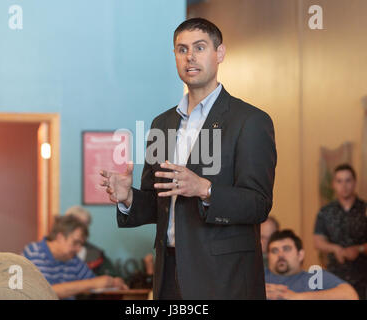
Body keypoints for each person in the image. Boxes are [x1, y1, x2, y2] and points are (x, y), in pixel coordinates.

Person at [100, 18, 277, 299]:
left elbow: (258, 204)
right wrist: (128, 198)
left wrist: (204, 189)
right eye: (182, 49)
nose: (190, 57)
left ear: (220, 54)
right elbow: (157, 203)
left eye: (200, 47)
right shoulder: (163, 123)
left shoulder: (250, 121)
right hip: (168, 274)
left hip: (224, 278)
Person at [23, 215, 128, 300]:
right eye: (75, 242)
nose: (79, 249)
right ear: (60, 238)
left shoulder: (73, 259)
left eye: (81, 244)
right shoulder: (34, 252)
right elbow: (45, 292)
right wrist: (93, 283)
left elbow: (95, 282)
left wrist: (113, 282)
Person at [313, 163, 367, 299]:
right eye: (339, 181)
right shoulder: (325, 212)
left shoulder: (364, 209)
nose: (344, 185)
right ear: (333, 184)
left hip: (363, 275)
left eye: (348, 180)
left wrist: (359, 249)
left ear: (354, 182)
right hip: (335, 276)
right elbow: (318, 241)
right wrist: (335, 249)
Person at [265, 229, 358, 300]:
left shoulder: (315, 277)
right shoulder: (257, 277)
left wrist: (297, 297)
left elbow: (350, 295)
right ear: (268, 256)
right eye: (274, 251)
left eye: (286, 249)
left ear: (300, 254)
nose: (280, 255)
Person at [65, 205, 119, 277]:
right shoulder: (55, 251)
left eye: (86, 225)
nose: (82, 229)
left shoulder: (96, 254)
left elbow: (112, 277)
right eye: (77, 224)